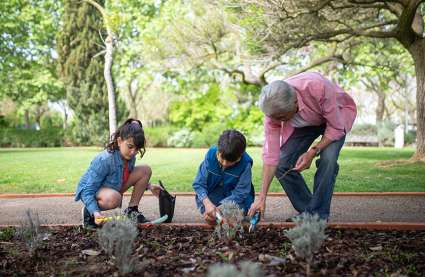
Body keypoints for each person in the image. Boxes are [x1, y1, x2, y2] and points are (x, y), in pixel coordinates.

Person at [248, 72, 357, 221]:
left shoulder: (316, 86)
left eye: (281, 118)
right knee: (282, 162)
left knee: (328, 160)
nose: (277, 121)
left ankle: (318, 216)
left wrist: (313, 151)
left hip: (336, 117)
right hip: (307, 123)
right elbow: (271, 156)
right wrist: (262, 198)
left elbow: (336, 128)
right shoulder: (273, 110)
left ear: (294, 103)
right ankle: (311, 213)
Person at [75, 118, 162, 228]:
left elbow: (125, 176)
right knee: (115, 198)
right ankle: (89, 212)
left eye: (137, 149)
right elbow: (87, 191)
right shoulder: (104, 160)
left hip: (113, 186)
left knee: (145, 170)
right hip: (93, 190)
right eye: (130, 146)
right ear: (119, 141)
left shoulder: (129, 157)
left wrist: (149, 186)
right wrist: (95, 212)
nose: (133, 152)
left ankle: (132, 211)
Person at [193, 129, 255, 225]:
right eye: (222, 159)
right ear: (218, 151)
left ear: (239, 157)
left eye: (230, 162)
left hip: (236, 199)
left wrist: (222, 207)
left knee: (239, 213)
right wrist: (207, 203)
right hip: (214, 194)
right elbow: (199, 184)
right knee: (208, 210)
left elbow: (241, 192)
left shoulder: (245, 163)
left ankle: (223, 218)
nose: (225, 164)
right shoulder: (210, 156)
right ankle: (214, 216)